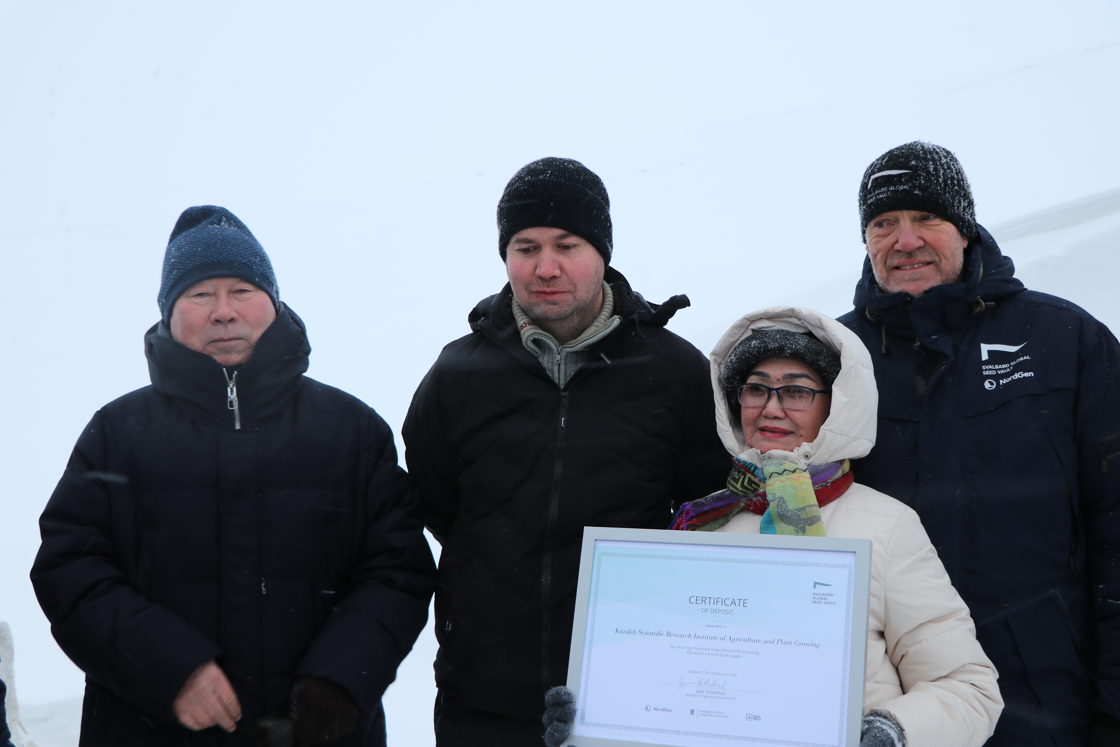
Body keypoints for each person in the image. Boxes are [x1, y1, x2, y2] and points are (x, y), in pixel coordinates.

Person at [31, 206, 436, 746]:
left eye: (242, 290)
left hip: (319, 735)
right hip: (148, 730)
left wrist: (340, 679)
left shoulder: (351, 430)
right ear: (169, 313)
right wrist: (169, 668)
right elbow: (70, 572)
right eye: (200, 294)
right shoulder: (116, 435)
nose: (223, 312)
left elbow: (396, 571)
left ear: (274, 302)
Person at [543, 307, 1002, 747]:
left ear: (837, 406)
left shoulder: (887, 526)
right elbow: (669, 676)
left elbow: (967, 688)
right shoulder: (700, 521)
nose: (771, 408)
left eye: (797, 391)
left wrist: (893, 731)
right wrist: (600, 715)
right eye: (756, 388)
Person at [402, 157, 728, 745]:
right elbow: (438, 506)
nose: (545, 267)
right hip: (484, 698)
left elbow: (709, 517)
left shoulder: (675, 373)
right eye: (525, 248)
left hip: (632, 696)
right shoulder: (457, 375)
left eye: (566, 245)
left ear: (602, 253)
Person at [839, 141, 1120, 745]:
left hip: (1046, 695)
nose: (905, 240)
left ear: (964, 229)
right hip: (892, 710)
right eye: (883, 223)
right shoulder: (834, 358)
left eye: (927, 218)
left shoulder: (1064, 338)